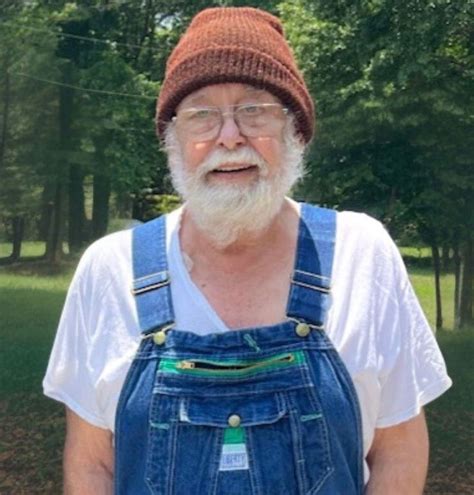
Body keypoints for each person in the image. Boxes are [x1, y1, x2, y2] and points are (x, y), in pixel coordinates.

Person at [43, 7, 452, 495]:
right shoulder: (109, 269)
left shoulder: (362, 255)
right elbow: (92, 464)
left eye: (254, 110)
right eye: (201, 115)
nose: (230, 136)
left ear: (295, 131)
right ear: (172, 138)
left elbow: (398, 449)